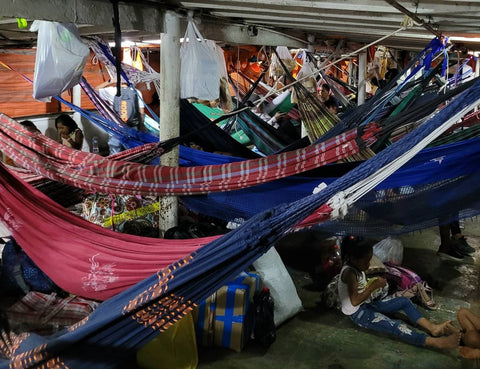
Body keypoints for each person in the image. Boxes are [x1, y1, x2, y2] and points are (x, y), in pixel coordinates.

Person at [338, 235, 460, 349]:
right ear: (354, 259)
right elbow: (354, 301)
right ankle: (436, 342)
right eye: (366, 261)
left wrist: (374, 286)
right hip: (359, 313)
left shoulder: (354, 266)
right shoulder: (349, 273)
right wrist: (373, 287)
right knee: (396, 326)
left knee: (404, 301)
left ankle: (433, 328)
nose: (369, 264)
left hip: (367, 304)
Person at [96, 79, 147, 154]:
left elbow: (95, 89)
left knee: (115, 150)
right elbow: (141, 110)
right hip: (132, 125)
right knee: (133, 149)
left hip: (116, 126)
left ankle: (115, 164)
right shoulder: (136, 92)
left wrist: (109, 81)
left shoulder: (111, 91)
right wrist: (141, 124)